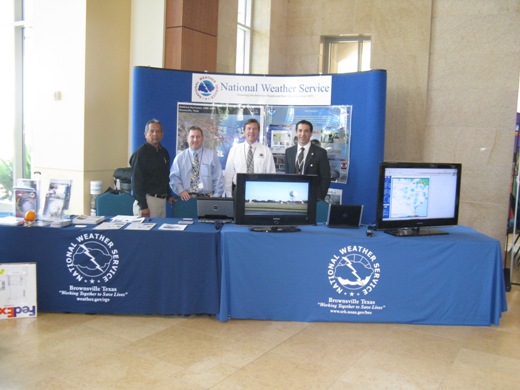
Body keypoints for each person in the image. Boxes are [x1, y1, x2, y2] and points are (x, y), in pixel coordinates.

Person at [129, 119, 174, 217]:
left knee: (160, 232)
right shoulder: (140, 154)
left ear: (162, 134)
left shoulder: (164, 153)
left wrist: (169, 196)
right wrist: (143, 206)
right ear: (145, 134)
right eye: (151, 131)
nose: (155, 134)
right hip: (147, 202)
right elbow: (136, 183)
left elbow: (164, 177)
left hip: (161, 202)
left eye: (158, 131)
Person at [224, 118, 276, 197]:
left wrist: (269, 194)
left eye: (254, 129)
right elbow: (228, 174)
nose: (251, 131)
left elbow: (271, 175)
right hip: (239, 190)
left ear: (258, 132)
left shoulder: (266, 151)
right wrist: (228, 195)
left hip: (260, 191)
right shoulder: (235, 150)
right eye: (249, 129)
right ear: (244, 131)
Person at [169, 126, 224, 200]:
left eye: (198, 137)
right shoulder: (180, 158)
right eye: (192, 137)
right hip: (186, 199)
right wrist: (181, 191)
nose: (195, 139)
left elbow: (218, 177)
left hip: (207, 199)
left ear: (202, 139)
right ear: (187, 139)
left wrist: (216, 197)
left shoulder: (211, 156)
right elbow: (174, 177)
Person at [285, 119, 331, 200]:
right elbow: (287, 176)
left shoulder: (320, 153)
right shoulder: (289, 152)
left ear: (311, 133)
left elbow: (325, 178)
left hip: (312, 198)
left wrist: (319, 198)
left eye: (306, 131)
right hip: (292, 196)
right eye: (300, 130)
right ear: (296, 132)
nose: (302, 134)